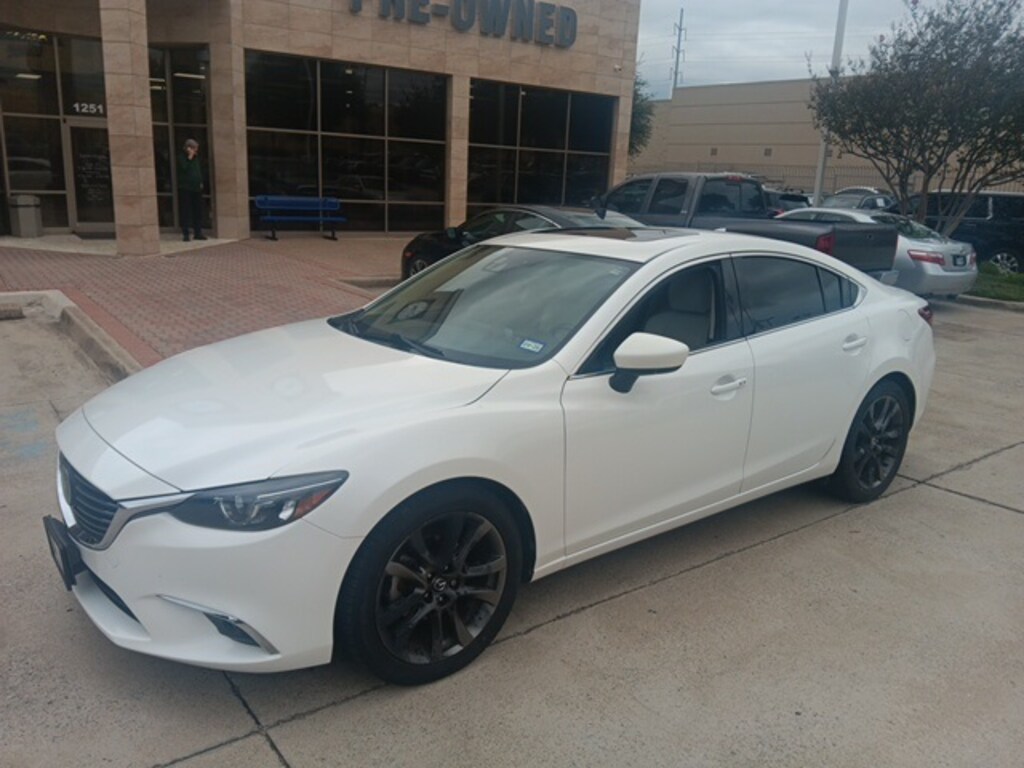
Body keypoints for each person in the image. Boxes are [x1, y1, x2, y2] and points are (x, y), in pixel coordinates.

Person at [177, 138, 207, 241]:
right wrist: (189, 156)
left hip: (196, 188)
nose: (196, 150)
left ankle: (198, 232)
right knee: (186, 211)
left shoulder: (196, 158)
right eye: (194, 148)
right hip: (185, 188)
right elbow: (184, 168)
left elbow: (198, 171)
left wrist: (200, 182)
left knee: (197, 211)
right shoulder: (182, 157)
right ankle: (186, 234)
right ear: (189, 148)